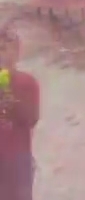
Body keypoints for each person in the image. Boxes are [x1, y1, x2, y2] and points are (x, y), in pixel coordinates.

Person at [0, 29, 38, 200]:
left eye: (3, 49)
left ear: (16, 53)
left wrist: (12, 102)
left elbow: (32, 118)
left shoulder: (27, 82)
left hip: (18, 159)